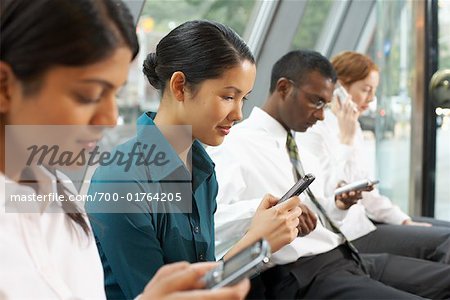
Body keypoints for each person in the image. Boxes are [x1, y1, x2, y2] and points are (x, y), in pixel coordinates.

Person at [0, 1, 249, 299]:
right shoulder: (118, 181)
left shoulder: (61, 200)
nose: (108, 118)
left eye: (114, 94)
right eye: (89, 94)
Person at [86, 20, 305, 300]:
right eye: (228, 96)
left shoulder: (202, 169)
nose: (238, 113)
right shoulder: (122, 181)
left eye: (244, 100)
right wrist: (255, 244)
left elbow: (200, 272)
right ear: (180, 87)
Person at [207, 50, 450, 299]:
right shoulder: (235, 146)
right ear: (284, 88)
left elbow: (317, 214)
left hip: (345, 255)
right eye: (316, 102)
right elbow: (210, 225)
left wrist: (337, 204)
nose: (322, 114)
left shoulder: (297, 142)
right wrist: (268, 211)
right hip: (303, 273)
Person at [297, 51, 450, 264]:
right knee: (446, 241)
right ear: (339, 88)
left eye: (373, 91)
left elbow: (367, 194)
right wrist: (346, 140)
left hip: (365, 221)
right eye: (366, 90)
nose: (371, 99)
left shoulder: (353, 126)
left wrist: (403, 220)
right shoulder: (314, 132)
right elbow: (334, 193)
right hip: (347, 235)